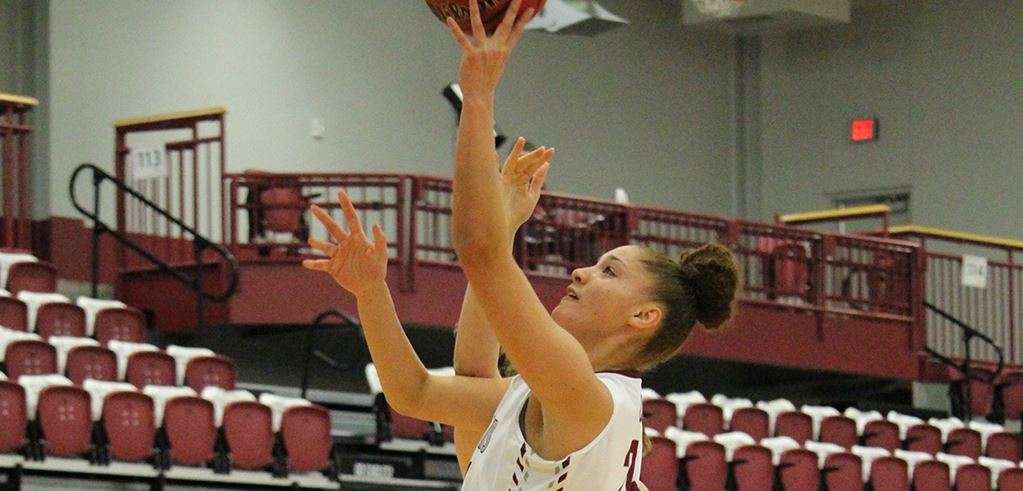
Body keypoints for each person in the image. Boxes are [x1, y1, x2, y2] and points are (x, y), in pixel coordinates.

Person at [303, 1, 740, 488]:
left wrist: (478, 98)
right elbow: (415, 391)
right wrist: (370, 291)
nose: (580, 273)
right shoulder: (546, 393)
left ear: (643, 317)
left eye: (610, 272)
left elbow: (479, 252)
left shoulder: (590, 399)